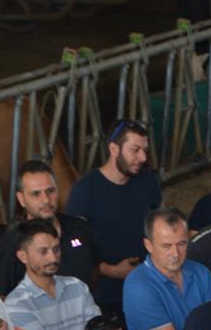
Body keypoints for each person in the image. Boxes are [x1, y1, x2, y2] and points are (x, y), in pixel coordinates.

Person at [67, 119, 162, 315]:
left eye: (145, 150)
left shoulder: (148, 182)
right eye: (135, 150)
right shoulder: (85, 190)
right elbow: (74, 243)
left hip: (147, 287)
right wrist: (109, 270)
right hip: (103, 294)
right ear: (114, 149)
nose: (143, 157)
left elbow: (157, 224)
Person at [0, 159, 97, 297]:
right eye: (35, 194)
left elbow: (94, 272)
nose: (46, 200)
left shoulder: (79, 227)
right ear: (21, 199)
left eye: (50, 191)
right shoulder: (13, 244)